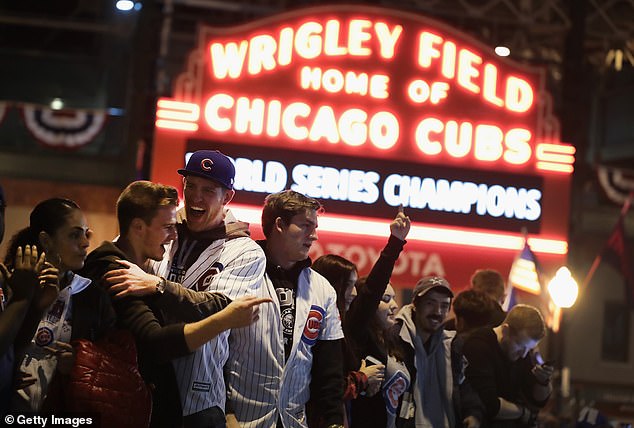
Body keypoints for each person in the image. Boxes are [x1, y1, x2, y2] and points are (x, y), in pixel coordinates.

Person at [80, 180, 269, 427]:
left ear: (227, 197)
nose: (172, 235)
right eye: (167, 227)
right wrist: (224, 320)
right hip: (114, 404)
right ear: (138, 227)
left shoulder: (244, 250)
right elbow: (156, 342)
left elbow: (218, 303)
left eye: (208, 190)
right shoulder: (114, 267)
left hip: (187, 397)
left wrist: (158, 285)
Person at [225, 190, 345, 428]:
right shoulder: (238, 274)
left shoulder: (322, 289)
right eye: (305, 226)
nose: (314, 236)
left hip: (294, 421)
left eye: (315, 227)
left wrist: (334, 422)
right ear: (279, 224)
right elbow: (215, 355)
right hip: (240, 420)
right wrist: (227, 414)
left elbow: (329, 369)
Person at [6, 198, 114, 412]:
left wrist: (80, 362)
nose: (85, 243)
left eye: (86, 233)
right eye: (75, 235)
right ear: (46, 240)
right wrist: (6, 372)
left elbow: (111, 361)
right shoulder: (11, 284)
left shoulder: (93, 296)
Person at [340, 209, 410, 428]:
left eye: (393, 298)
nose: (394, 305)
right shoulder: (358, 333)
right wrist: (395, 243)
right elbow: (372, 290)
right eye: (385, 298)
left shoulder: (393, 341)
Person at [389, 276, 484, 428]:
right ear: (415, 304)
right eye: (430, 303)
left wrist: (473, 414)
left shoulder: (452, 345)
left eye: (444, 305)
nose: (437, 311)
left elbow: (465, 387)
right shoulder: (396, 340)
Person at [462, 304, 553, 427]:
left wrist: (543, 381)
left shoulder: (522, 353)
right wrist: (523, 413)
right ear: (505, 331)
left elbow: (538, 400)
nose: (523, 354)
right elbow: (490, 405)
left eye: (529, 349)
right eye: (521, 346)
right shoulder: (478, 346)